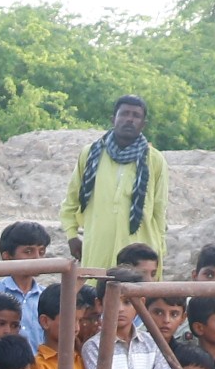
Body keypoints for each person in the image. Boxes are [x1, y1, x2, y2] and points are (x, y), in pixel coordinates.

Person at [62, 98, 168, 266]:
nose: (129, 119)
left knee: (134, 291)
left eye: (136, 116)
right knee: (95, 290)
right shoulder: (90, 154)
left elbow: (159, 211)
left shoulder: (154, 160)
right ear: (113, 119)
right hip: (98, 248)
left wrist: (159, 252)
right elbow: (71, 201)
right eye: (124, 113)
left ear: (143, 124)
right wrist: (72, 236)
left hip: (139, 253)